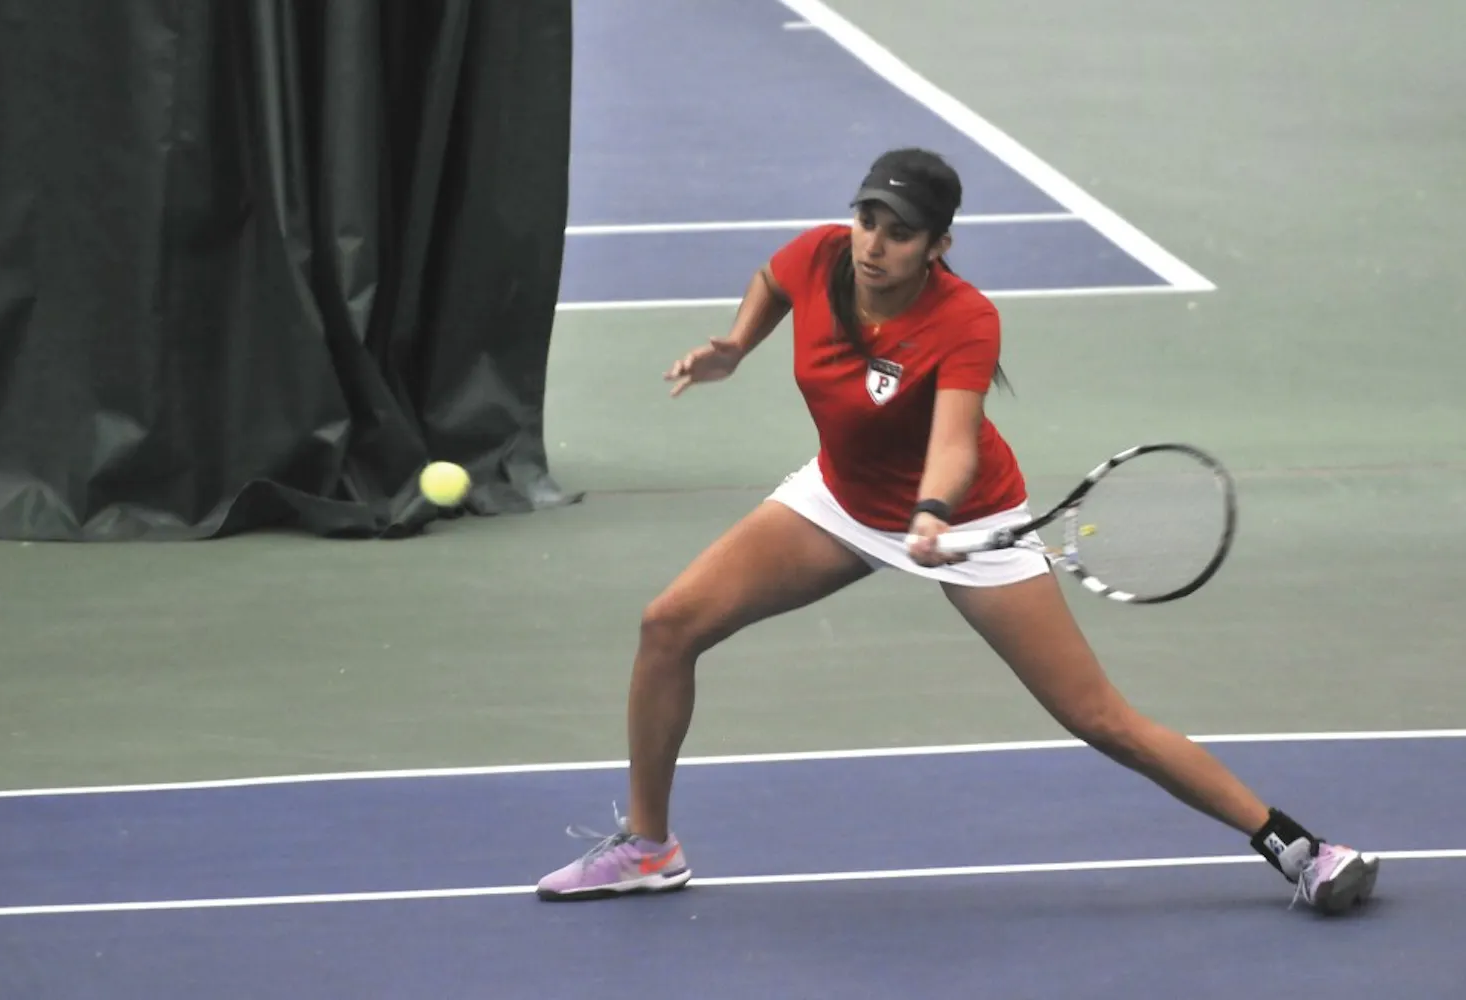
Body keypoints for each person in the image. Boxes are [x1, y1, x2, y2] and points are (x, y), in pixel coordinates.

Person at [535, 147, 1380, 915]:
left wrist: (934, 513)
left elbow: (954, 441)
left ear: (936, 245)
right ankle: (650, 847)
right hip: (838, 501)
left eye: (900, 234)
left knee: (1100, 717)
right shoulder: (821, 254)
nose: (874, 244)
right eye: (868, 220)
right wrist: (735, 345)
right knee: (667, 624)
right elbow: (774, 280)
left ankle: (1297, 847)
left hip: (969, 522)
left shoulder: (964, 319)